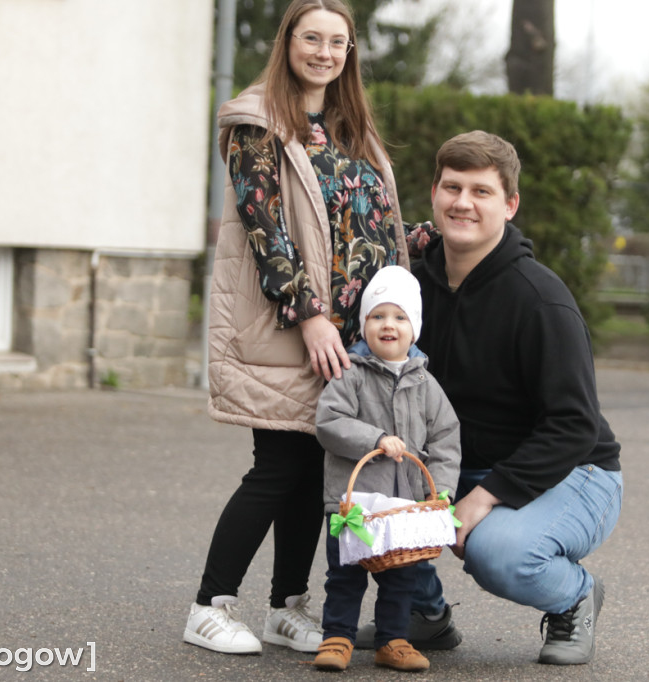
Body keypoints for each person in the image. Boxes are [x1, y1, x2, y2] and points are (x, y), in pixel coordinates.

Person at [184, 0, 411, 657]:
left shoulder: (349, 129)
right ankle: (208, 605)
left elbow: (370, 228)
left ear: (349, 53)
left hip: (349, 338)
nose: (324, 52)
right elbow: (266, 231)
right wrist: (310, 315)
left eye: (337, 42)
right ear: (287, 42)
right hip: (293, 327)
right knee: (278, 467)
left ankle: (287, 607)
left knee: (314, 470)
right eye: (312, 38)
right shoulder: (258, 123)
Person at [356, 131, 623, 666]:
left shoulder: (540, 300)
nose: (463, 203)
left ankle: (574, 595)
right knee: (364, 497)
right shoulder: (409, 292)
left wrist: (485, 497)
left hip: (575, 472)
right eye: (452, 187)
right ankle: (422, 612)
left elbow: (572, 425)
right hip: (461, 464)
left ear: (510, 204)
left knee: (498, 552)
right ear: (434, 193)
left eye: (481, 191)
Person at [311, 265, 461, 672]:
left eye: (399, 317)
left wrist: (440, 489)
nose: (388, 325)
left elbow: (446, 438)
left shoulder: (426, 384)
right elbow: (329, 422)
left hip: (403, 507)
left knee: (401, 579)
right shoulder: (351, 374)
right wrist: (375, 438)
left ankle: (393, 640)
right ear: (364, 325)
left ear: (414, 330)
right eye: (377, 316)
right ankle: (337, 637)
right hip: (353, 503)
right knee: (345, 575)